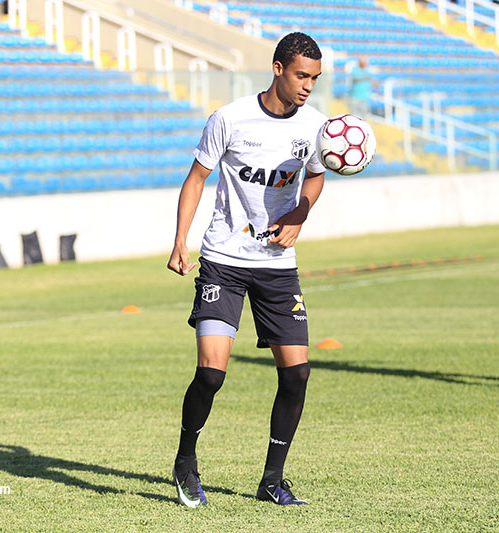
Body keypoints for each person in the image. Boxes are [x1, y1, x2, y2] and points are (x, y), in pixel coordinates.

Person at [166, 32, 327, 507]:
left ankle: (272, 480)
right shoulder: (230, 118)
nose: (307, 87)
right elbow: (196, 178)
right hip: (224, 263)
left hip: (278, 267)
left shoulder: (316, 127)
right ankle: (185, 462)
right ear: (277, 69)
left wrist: (299, 215)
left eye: (315, 79)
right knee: (212, 374)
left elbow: (316, 176)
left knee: (297, 376)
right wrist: (180, 240)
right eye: (301, 76)